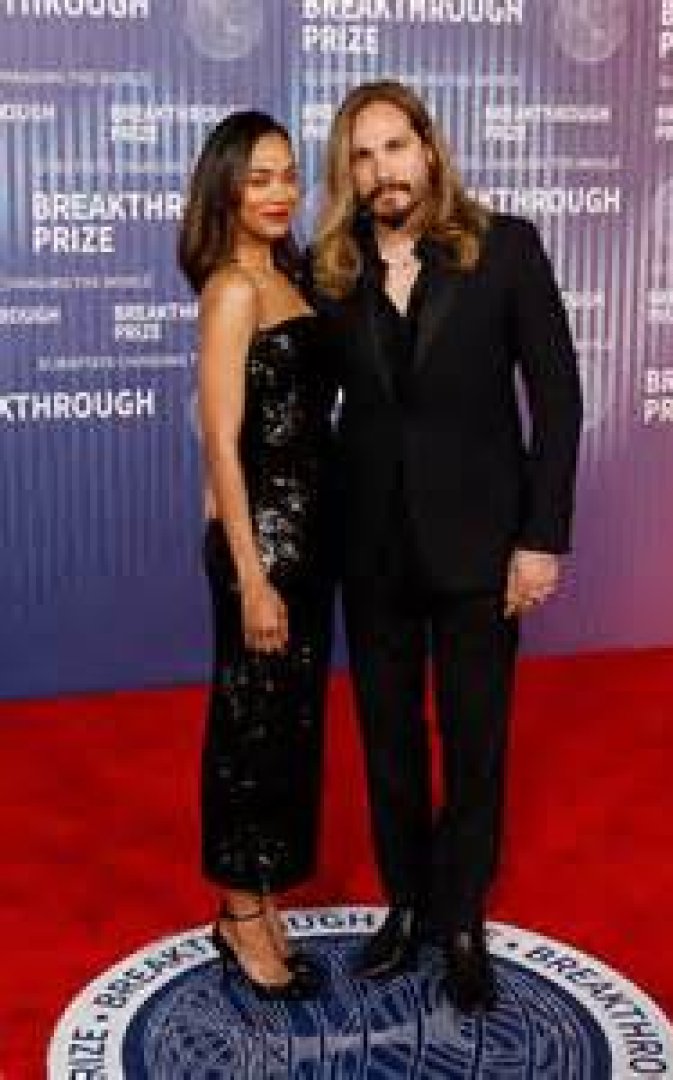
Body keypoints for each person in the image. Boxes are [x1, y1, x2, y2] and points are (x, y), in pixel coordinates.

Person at [313, 81, 583, 1013]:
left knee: (474, 741)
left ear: (429, 148)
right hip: (371, 552)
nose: (381, 169)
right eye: (361, 155)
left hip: (481, 548)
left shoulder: (505, 247)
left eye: (395, 146)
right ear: (347, 173)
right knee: (387, 739)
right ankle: (406, 904)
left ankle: (462, 918)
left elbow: (557, 399)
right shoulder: (331, 269)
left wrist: (541, 539)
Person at [178, 111, 335, 1001]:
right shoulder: (232, 289)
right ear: (226, 187)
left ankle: (263, 896)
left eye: (288, 175)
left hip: (312, 543)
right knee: (249, 727)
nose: (279, 193)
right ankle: (239, 914)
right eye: (259, 178)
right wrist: (250, 576)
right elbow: (221, 445)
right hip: (264, 548)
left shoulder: (292, 275)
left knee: (288, 730)